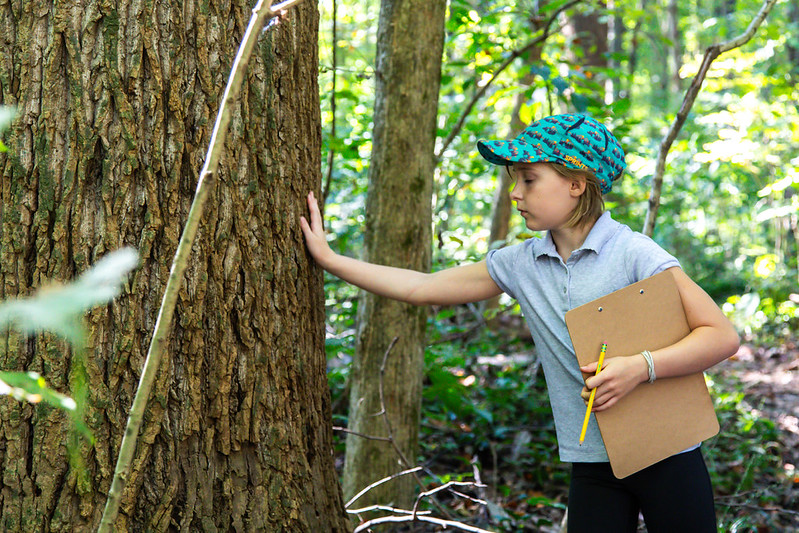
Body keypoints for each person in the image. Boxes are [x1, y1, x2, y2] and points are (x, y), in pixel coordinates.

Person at [300, 113, 739, 532]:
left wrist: (640, 367)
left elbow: (720, 336)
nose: (515, 192)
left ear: (575, 183)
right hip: (591, 465)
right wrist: (330, 259)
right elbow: (422, 287)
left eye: (529, 179)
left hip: (669, 454)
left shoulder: (634, 254)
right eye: (514, 180)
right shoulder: (522, 264)